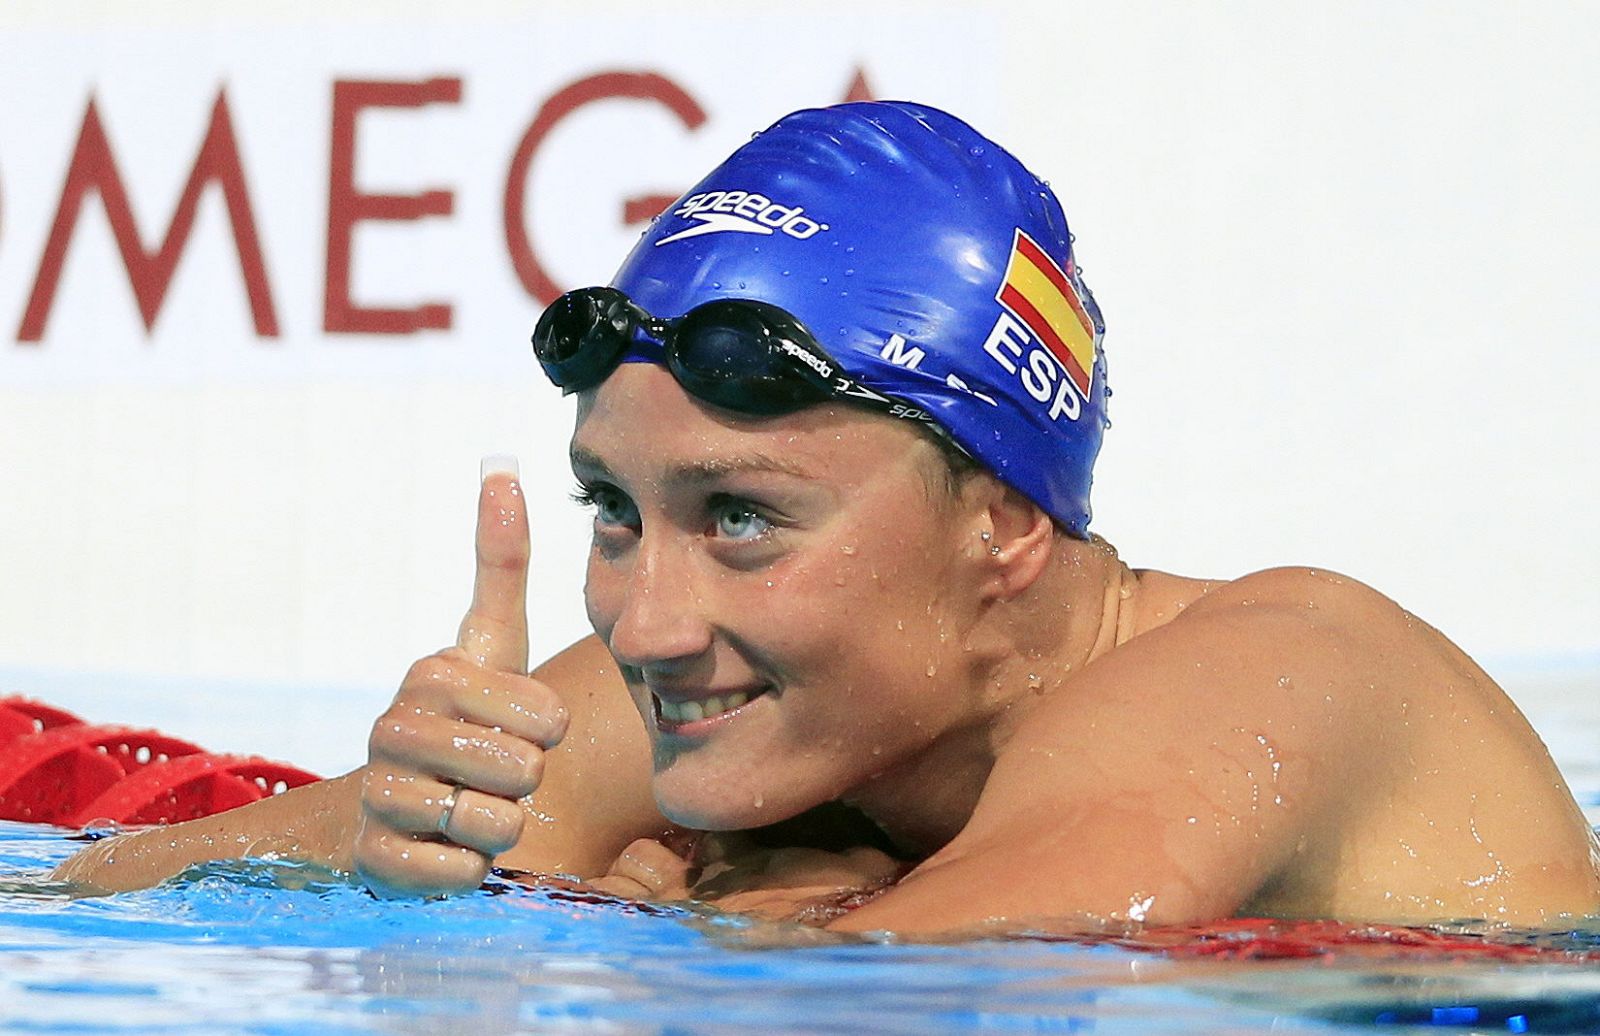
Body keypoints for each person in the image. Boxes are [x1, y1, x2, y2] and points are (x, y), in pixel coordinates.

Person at [53, 102, 1600, 935]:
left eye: (740, 520)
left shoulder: (1284, 670)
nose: (646, 624)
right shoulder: (745, 693)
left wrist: (683, 928)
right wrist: (377, 848)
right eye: (615, 511)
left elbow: (960, 984)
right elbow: (83, 899)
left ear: (1000, 527)